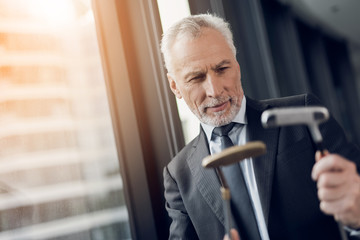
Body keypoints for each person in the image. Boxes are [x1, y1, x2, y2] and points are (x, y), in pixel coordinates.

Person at [160, 13, 360, 240]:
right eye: (196, 78)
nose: (214, 91)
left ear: (237, 66)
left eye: (222, 68)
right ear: (175, 86)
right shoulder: (178, 175)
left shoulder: (302, 116)